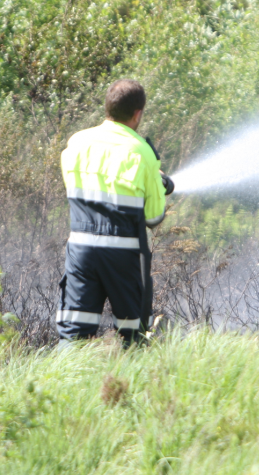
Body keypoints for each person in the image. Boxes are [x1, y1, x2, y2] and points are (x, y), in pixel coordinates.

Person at [55, 79, 174, 346]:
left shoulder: (76, 143)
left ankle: (65, 386)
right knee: (133, 335)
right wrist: (156, 183)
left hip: (81, 253)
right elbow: (153, 218)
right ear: (137, 113)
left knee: (73, 335)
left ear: (108, 107)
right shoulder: (142, 152)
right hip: (123, 257)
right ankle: (127, 386)